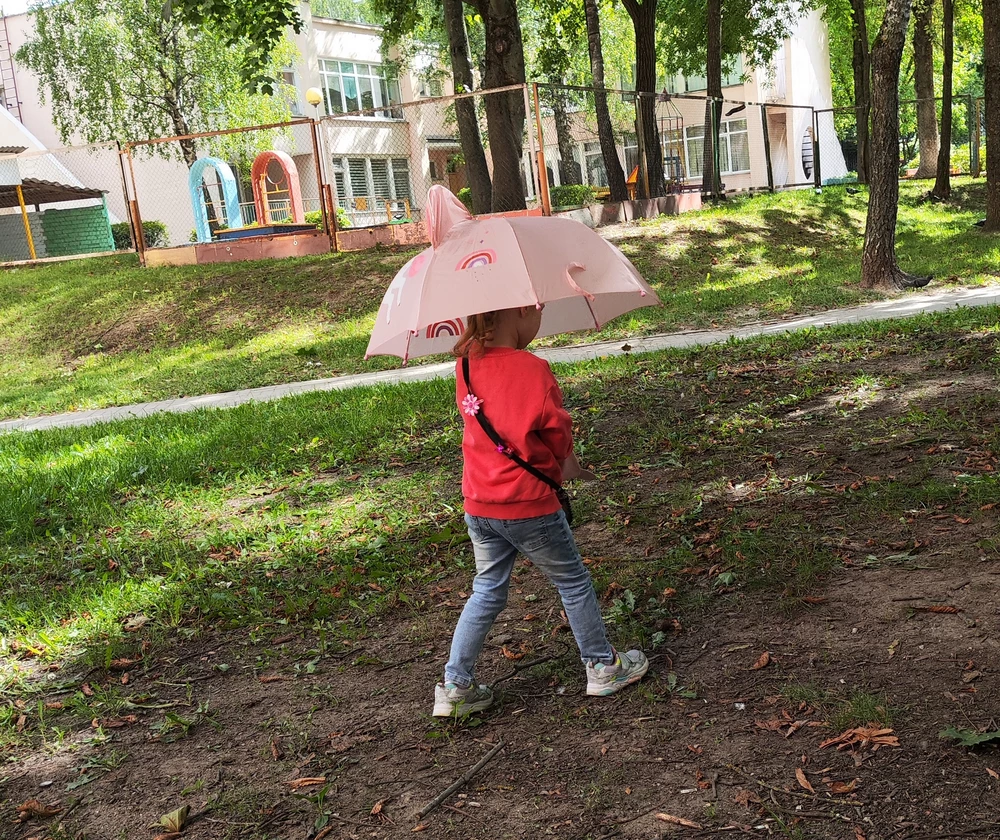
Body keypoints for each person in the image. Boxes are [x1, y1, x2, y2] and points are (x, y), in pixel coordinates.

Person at [432, 304, 649, 718]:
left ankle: (456, 685)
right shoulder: (533, 369)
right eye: (537, 313)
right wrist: (571, 468)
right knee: (572, 581)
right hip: (530, 506)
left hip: (479, 506)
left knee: (486, 590)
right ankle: (603, 666)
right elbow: (555, 429)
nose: (538, 322)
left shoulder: (465, 367)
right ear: (515, 314)